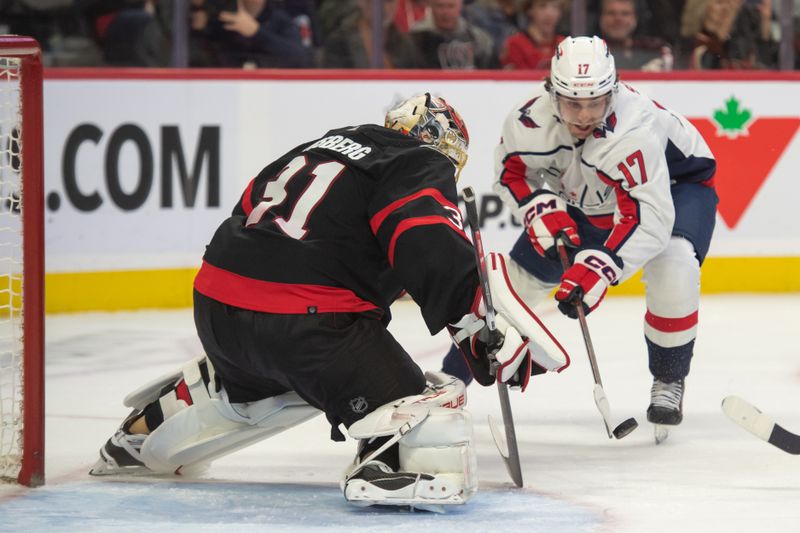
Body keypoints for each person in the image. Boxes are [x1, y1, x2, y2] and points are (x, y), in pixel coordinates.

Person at [89, 93, 568, 509]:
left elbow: (255, 216)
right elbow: (424, 237)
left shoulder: (324, 146)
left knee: (253, 381)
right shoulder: (415, 159)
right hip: (307, 326)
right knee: (425, 405)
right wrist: (477, 325)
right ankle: (390, 464)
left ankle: (143, 433)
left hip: (216, 311)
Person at [443, 36, 718, 434]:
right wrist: (538, 207)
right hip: (588, 194)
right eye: (573, 102)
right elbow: (512, 175)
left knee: (673, 266)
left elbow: (650, 218)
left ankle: (669, 377)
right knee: (511, 291)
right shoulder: (527, 120)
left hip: (674, 189)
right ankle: (450, 384)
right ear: (552, 92)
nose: (585, 115)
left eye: (596, 102)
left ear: (615, 89)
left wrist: (600, 267)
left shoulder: (634, 128)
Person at [190, 0, 312, 68]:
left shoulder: (282, 20)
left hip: (273, 95)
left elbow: (301, 59)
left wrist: (257, 32)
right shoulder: (221, 20)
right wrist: (199, 28)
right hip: (225, 94)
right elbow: (198, 60)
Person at [321, 0, 418, 68]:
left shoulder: (405, 44)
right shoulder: (339, 41)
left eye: (389, 0)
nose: (384, 8)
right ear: (361, 2)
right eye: (376, 2)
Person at [410, 0, 499, 69]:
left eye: (450, 6)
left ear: (460, 6)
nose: (445, 12)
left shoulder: (479, 40)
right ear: (431, 6)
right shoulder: (415, 38)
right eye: (440, 6)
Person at [598, 0, 673, 71]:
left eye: (625, 13)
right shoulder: (591, 51)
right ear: (601, 18)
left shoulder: (657, 49)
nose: (618, 19)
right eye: (611, 13)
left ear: (635, 19)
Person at [500, 0, 565, 70]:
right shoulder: (515, 44)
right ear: (529, 10)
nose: (549, 13)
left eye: (555, 7)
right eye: (542, 6)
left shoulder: (565, 45)